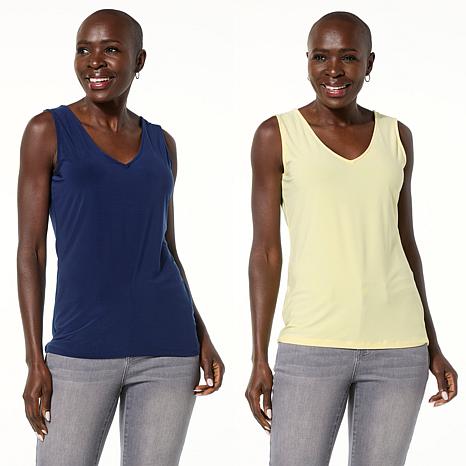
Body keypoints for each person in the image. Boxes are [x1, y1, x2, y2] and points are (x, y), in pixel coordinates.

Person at [245, 10, 457, 466]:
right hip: (311, 345)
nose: (334, 70)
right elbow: (265, 252)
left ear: (369, 63)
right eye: (321, 57)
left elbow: (405, 243)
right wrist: (259, 356)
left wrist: (433, 345)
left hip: (399, 349)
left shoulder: (397, 136)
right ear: (307, 61)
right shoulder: (276, 135)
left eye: (348, 57)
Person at [17, 9, 224, 466]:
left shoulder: (161, 144)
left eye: (110, 49)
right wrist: (34, 359)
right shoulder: (47, 131)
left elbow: (166, 248)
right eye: (83, 50)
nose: (95, 61)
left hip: (168, 348)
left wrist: (200, 331)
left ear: (139, 59)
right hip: (80, 349)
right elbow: (30, 251)